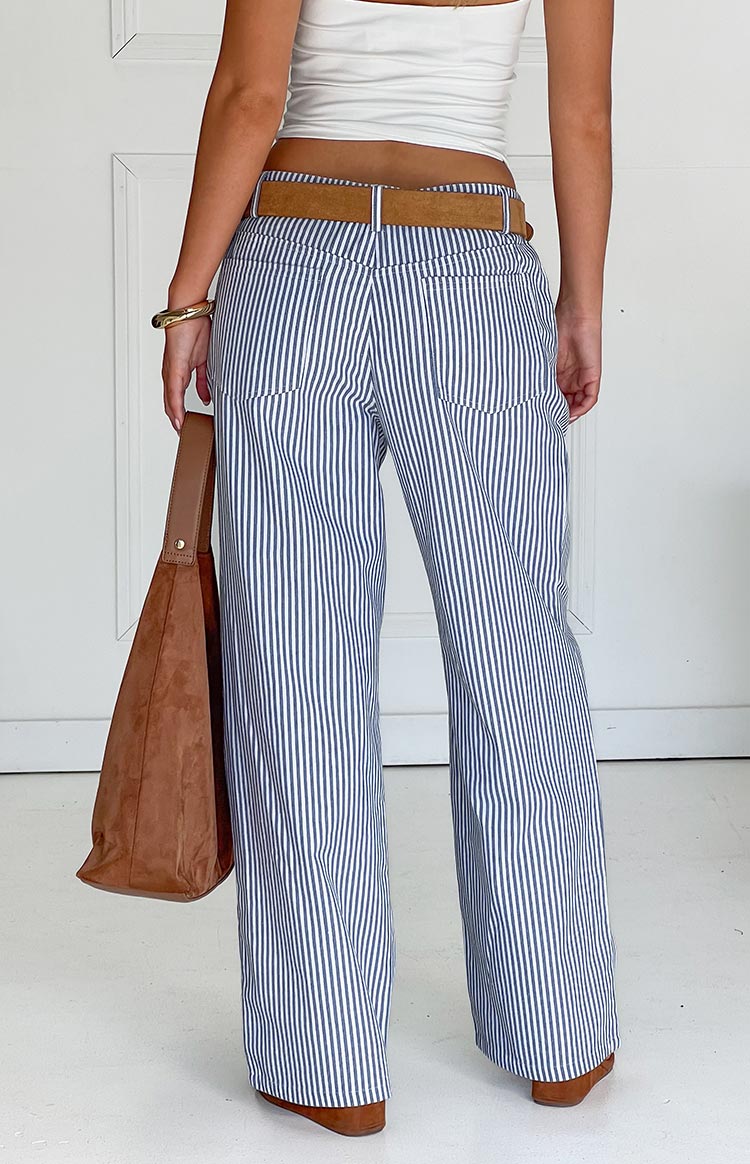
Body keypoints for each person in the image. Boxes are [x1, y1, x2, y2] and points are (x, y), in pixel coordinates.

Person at [156, 0, 620, 1138]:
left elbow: (250, 101)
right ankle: (559, 1039)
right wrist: (582, 302)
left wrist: (186, 298)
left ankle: (328, 1065)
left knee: (297, 662)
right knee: (519, 657)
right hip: (472, 267)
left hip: (295, 260)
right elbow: (585, 116)